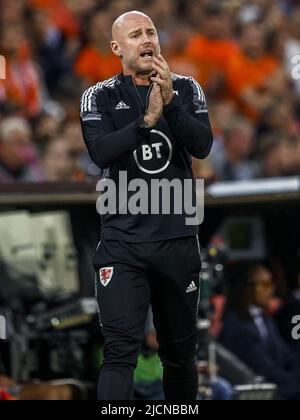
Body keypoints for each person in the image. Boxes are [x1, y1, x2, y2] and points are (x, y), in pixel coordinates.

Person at [80, 10, 213, 400]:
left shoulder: (187, 88)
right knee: (120, 353)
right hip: (124, 246)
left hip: (177, 241)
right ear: (117, 48)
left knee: (180, 355)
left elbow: (202, 145)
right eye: (135, 34)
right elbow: (101, 152)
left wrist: (169, 105)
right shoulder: (99, 95)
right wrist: (145, 123)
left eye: (151, 31)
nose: (146, 39)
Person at [218, 262, 300, 400]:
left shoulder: (265, 319)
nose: (271, 289)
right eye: (264, 284)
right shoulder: (236, 326)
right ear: (247, 288)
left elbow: (286, 355)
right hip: (262, 390)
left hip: (280, 384)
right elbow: (265, 371)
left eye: (272, 283)